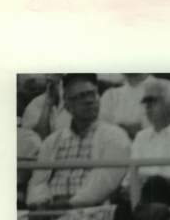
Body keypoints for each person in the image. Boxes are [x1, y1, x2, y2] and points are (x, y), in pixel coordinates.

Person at [25, 74, 130, 211]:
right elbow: (38, 182)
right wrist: (39, 203)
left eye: (92, 94)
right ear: (67, 106)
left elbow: (106, 180)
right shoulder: (52, 141)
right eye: (80, 96)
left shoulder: (115, 135)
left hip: (90, 211)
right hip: (49, 210)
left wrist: (71, 204)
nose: (89, 100)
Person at [99, 74, 156, 139]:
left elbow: (153, 131)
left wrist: (118, 127)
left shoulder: (159, 91)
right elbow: (101, 128)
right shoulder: (111, 95)